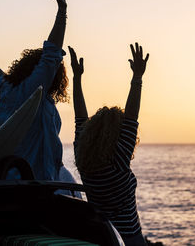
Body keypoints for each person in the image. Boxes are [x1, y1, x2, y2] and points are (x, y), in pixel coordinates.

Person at [0, 0, 77, 188]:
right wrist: (62, 12)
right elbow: (51, 55)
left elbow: (1, 80)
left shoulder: (12, 93)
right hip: (34, 185)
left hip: (12, 180)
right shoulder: (35, 91)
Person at [68, 43, 149, 245]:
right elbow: (132, 117)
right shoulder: (118, 160)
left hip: (100, 237)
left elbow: (80, 118)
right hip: (130, 239)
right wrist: (137, 77)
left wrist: (77, 78)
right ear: (118, 134)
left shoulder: (82, 157)